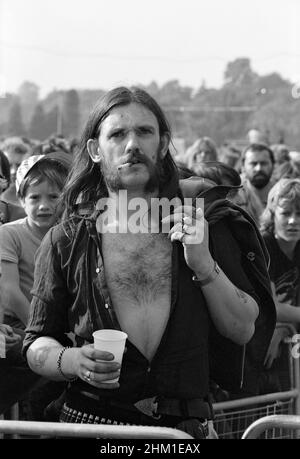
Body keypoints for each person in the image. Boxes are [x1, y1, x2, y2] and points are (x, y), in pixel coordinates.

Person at [23, 87, 274, 438]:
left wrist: (204, 267)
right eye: (118, 134)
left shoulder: (204, 225)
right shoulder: (67, 239)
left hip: (184, 433)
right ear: (96, 149)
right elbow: (36, 341)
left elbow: (243, 329)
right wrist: (73, 361)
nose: (132, 145)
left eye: (144, 131)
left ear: (163, 142)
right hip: (92, 425)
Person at [0, 152, 71, 417]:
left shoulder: (70, 236)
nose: (44, 206)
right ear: (21, 200)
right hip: (21, 324)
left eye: (53, 197)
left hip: (58, 327)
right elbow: (9, 292)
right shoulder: (10, 234)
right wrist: (43, 332)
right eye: (34, 198)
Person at [260, 179, 300, 379]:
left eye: (299, 214)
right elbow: (273, 308)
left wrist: (283, 329)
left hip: (289, 336)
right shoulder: (262, 245)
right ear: (273, 214)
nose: (293, 221)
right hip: (258, 342)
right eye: (286, 213)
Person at [235, 143, 275, 225]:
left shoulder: (282, 193)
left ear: (273, 165)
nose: (258, 168)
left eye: (264, 163)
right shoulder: (234, 196)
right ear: (243, 167)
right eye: (253, 164)